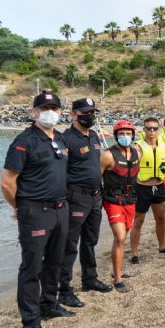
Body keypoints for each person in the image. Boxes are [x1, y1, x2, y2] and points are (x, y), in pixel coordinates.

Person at [0, 91, 74, 328]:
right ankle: (30, 322)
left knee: (55, 261)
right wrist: (19, 207)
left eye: (55, 108)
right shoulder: (24, 141)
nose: (50, 112)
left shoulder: (61, 140)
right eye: (44, 108)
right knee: (31, 267)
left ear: (61, 112)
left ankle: (49, 305)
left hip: (60, 209)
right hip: (34, 211)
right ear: (33, 112)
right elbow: (7, 182)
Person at [58, 98, 112, 310]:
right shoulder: (65, 139)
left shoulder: (95, 135)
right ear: (73, 115)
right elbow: (59, 171)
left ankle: (89, 279)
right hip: (75, 197)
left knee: (90, 241)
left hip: (96, 197)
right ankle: (64, 290)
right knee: (70, 245)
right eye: (84, 113)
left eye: (92, 112)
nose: (89, 116)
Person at [100, 120, 141, 293]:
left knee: (121, 238)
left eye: (128, 133)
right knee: (121, 237)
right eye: (122, 134)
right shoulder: (108, 155)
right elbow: (97, 178)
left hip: (130, 200)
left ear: (133, 135)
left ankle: (118, 270)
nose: (125, 136)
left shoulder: (138, 152)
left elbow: (136, 176)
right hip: (112, 201)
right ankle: (117, 279)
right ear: (116, 136)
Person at [130, 117, 165, 263]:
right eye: (148, 128)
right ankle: (135, 254)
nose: (151, 131)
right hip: (142, 187)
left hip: (159, 186)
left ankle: (162, 246)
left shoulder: (164, 147)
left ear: (159, 130)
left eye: (154, 128)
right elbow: (130, 166)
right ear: (144, 129)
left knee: (161, 219)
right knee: (138, 221)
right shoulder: (138, 147)